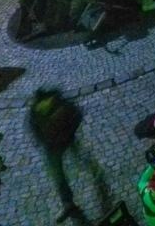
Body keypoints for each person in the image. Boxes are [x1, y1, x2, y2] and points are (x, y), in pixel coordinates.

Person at [28, 86, 110, 223]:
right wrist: (43, 140)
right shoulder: (35, 110)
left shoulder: (62, 106)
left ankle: (98, 175)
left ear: (48, 100)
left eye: (43, 105)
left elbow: (77, 115)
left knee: (82, 158)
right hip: (52, 148)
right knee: (58, 175)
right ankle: (68, 203)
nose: (41, 108)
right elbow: (33, 126)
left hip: (67, 141)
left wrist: (67, 134)